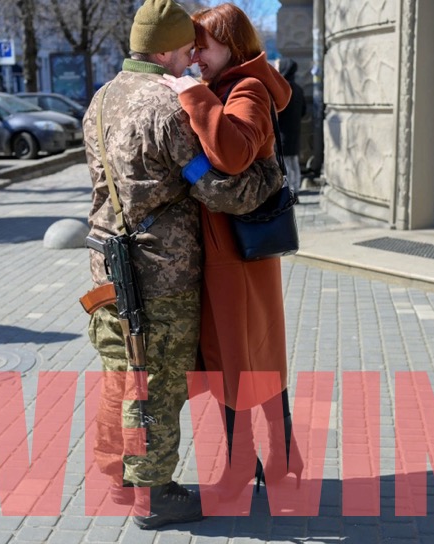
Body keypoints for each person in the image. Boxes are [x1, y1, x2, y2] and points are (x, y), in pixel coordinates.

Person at [82, 0, 283, 530]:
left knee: (121, 372)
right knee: (158, 382)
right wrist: (269, 179)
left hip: (105, 267)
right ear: (168, 49)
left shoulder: (102, 98)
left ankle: (120, 477)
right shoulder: (164, 106)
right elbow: (220, 190)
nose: (190, 59)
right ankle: (155, 494)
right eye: (186, 49)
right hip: (160, 271)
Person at [160, 3, 302, 501]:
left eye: (203, 44)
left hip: (236, 254)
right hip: (229, 251)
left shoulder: (247, 89)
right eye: (192, 45)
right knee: (244, 358)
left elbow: (234, 152)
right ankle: (278, 460)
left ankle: (252, 464)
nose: (195, 54)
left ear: (233, 46)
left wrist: (194, 95)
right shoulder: (232, 86)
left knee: (239, 361)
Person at [277, 57, 306, 196]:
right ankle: (296, 189)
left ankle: (290, 192)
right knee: (294, 162)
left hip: (282, 133)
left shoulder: (281, 88)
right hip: (295, 131)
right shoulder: (299, 89)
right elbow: (304, 111)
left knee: (285, 164)